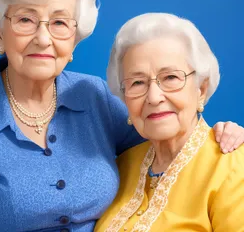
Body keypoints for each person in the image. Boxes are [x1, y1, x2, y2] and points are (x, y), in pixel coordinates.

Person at [0, 0, 243, 232]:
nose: (43, 38)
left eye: (60, 22)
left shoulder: (94, 96)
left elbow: (167, 126)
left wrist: (225, 135)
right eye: (25, 20)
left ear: (74, 38)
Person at [95, 13, 244, 231]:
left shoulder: (233, 167)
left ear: (201, 90)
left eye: (170, 78)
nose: (154, 97)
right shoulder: (121, 167)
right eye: (137, 82)